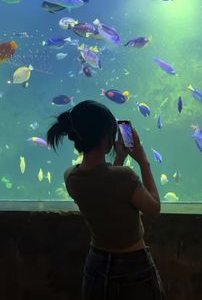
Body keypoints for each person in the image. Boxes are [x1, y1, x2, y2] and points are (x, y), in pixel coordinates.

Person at [47, 100, 164, 300]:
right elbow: (153, 208)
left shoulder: (71, 178)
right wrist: (143, 161)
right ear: (107, 136)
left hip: (97, 265)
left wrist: (119, 158)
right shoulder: (125, 177)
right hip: (134, 266)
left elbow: (104, 185)